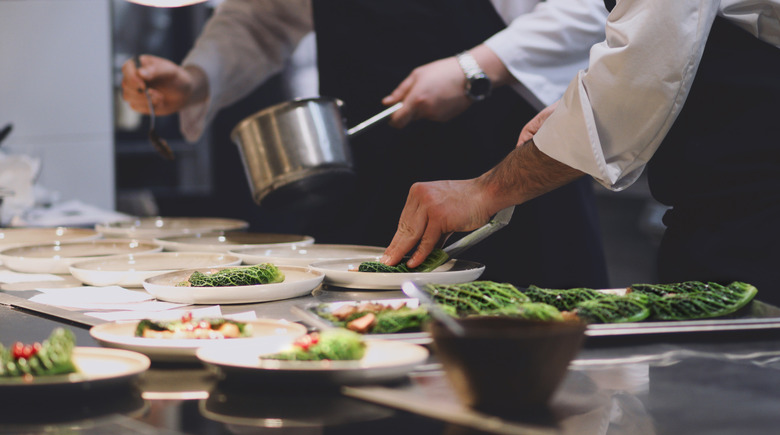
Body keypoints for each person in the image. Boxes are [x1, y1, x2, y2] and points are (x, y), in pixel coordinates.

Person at [122, 0, 612, 289]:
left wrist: (474, 67)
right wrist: (195, 77)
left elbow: (587, 11)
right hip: (370, 181)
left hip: (509, 181)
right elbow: (262, 18)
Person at [381, 0, 780, 303]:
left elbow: (642, 74)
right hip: (723, 198)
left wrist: (484, 191)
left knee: (732, 391)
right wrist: (580, 104)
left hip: (755, 209)